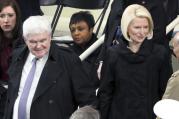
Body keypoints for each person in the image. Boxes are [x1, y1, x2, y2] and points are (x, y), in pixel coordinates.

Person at [3, 15, 98, 119]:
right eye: (33, 42)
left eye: (43, 40)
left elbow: (88, 100)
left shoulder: (68, 60)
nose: (38, 46)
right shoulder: (17, 55)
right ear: (25, 40)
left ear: (50, 36)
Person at [98, 4, 172, 119]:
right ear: (126, 27)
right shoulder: (113, 54)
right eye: (137, 27)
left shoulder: (160, 54)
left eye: (146, 27)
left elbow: (166, 93)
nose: (142, 32)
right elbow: (105, 93)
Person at [0, 0, 23, 118]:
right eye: (2, 16)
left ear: (17, 17)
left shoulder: (26, 40)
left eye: (10, 15)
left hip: (19, 92)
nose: (6, 20)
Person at [69, 11, 100, 88]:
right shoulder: (69, 52)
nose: (76, 33)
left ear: (91, 29)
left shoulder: (103, 51)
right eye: (73, 30)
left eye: (80, 29)